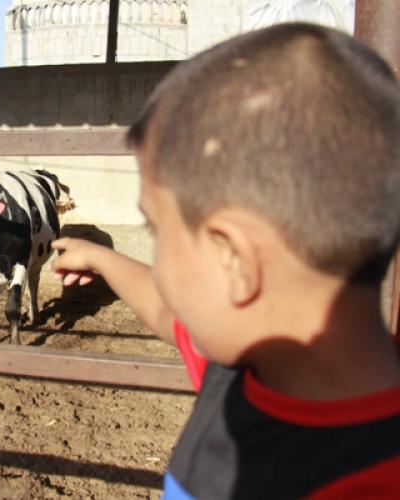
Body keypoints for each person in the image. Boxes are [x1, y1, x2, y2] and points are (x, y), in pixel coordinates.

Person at [51, 23, 400, 498]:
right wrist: (103, 259)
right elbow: (168, 310)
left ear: (234, 261)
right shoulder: (250, 358)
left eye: (157, 231)